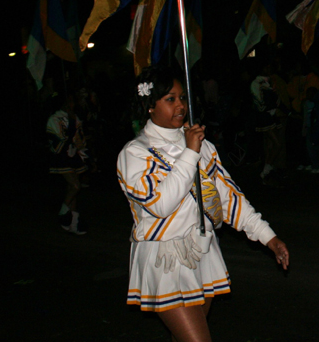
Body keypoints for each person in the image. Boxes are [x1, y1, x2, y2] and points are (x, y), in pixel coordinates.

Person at [117, 67, 289, 342]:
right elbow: (160, 205)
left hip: (203, 251)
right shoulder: (136, 153)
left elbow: (228, 198)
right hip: (166, 260)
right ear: (150, 105)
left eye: (183, 97)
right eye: (170, 99)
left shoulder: (202, 145)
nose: (181, 105)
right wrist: (189, 153)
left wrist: (268, 237)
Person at [47, 91, 89, 235]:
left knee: (73, 189)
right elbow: (57, 141)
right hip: (61, 158)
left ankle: (73, 223)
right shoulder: (54, 119)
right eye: (69, 102)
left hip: (72, 156)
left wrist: (80, 146)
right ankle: (63, 213)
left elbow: (79, 138)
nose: (72, 105)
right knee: (75, 186)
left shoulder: (74, 117)